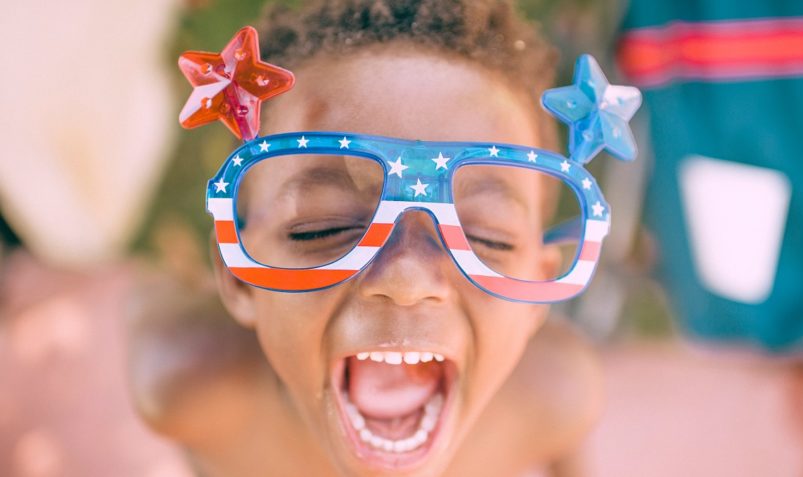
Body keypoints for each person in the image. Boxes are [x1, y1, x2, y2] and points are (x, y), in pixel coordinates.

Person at [130, 0, 626, 475]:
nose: (407, 278)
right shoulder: (187, 393)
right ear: (238, 277)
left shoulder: (558, 400)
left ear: (537, 297)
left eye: (486, 239)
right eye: (322, 229)